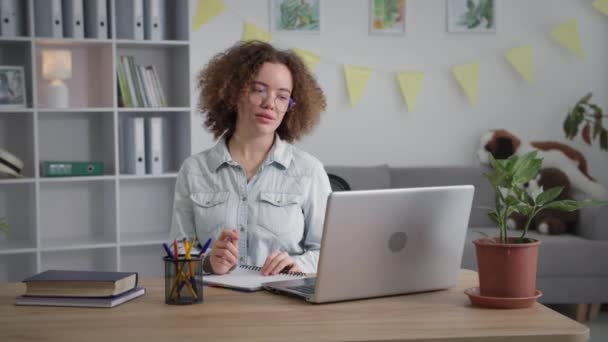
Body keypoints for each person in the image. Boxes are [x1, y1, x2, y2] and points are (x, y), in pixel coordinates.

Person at [169, 40, 331, 276]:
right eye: (259, 90)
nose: (270, 104)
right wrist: (207, 263)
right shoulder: (194, 170)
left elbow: (329, 252)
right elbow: (177, 256)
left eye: (282, 96)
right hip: (215, 305)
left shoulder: (309, 170)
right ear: (234, 93)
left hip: (283, 306)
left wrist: (299, 265)